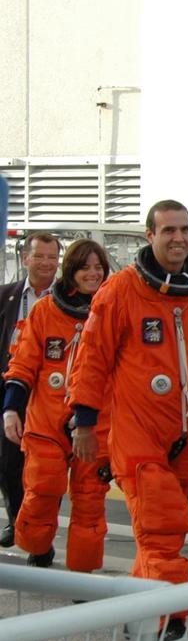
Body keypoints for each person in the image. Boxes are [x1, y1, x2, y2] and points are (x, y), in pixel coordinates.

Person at [68, 200, 188, 641]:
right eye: (168, 229)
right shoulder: (120, 292)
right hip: (138, 436)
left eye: (184, 229)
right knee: (165, 526)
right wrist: (84, 424)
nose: (178, 238)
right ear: (149, 235)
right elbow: (91, 360)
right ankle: (171, 624)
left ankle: (141, 608)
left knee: (156, 539)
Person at [2, 240, 112, 570]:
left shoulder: (114, 309)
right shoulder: (46, 311)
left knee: (90, 499)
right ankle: (38, 547)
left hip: (95, 423)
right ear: (72, 271)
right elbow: (22, 365)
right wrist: (11, 409)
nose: (93, 274)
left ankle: (82, 570)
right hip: (47, 419)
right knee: (41, 490)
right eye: (85, 268)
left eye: (99, 268)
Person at [0, 232, 60, 548]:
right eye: (39, 256)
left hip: (50, 393)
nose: (46, 263)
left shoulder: (68, 297)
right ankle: (16, 519)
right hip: (10, 386)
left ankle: (36, 529)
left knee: (42, 468)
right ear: (26, 258)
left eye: (52, 257)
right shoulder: (6, 295)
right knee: (8, 461)